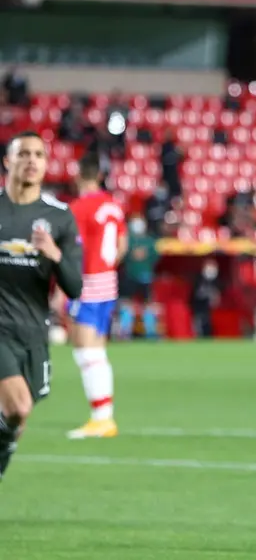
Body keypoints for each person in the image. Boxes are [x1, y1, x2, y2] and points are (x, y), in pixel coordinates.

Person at [0, 131, 83, 480]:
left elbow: (75, 287)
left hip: (33, 331)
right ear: (8, 162)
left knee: (19, 415)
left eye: (38, 155)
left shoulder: (60, 218)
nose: (32, 161)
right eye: (24, 154)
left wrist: (55, 255)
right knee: (17, 405)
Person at [66, 155, 127, 439]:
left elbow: (72, 250)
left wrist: (61, 288)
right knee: (97, 349)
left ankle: (101, 418)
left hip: (87, 283)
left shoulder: (79, 207)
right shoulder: (113, 206)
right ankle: (104, 416)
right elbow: (122, 245)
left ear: (79, 176)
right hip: (108, 282)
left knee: (85, 350)